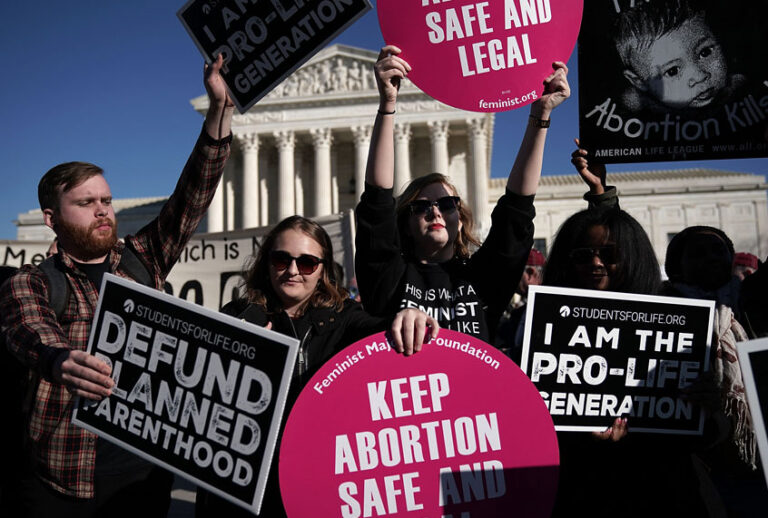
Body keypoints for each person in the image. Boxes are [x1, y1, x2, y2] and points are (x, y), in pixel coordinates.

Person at [0, 54, 234, 518]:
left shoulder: (141, 258)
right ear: (51, 219)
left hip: (144, 476)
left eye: (106, 199)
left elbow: (192, 196)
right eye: (86, 203)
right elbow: (29, 330)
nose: (104, 210)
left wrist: (218, 113)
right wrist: (59, 359)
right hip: (62, 478)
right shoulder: (31, 282)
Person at [195, 215, 438, 517]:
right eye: (282, 259)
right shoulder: (237, 316)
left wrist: (407, 316)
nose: (293, 271)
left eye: (307, 262)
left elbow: (382, 333)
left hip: (315, 483)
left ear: (323, 269)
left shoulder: (345, 318)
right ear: (267, 262)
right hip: (244, 487)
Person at [355, 45, 570, 344]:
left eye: (446, 203)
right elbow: (377, 201)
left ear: (461, 217)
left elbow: (516, 211)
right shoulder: (390, 278)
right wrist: (387, 104)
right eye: (421, 206)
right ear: (404, 222)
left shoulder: (481, 277)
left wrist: (540, 114)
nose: (435, 211)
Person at [613, 0, 745, 112]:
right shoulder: (637, 111)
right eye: (672, 71)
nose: (699, 76)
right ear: (639, 81)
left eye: (705, 52)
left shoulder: (739, 90)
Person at [495, 248, 545, 359]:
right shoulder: (519, 313)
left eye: (511, 272)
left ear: (529, 274)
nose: (507, 279)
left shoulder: (548, 310)